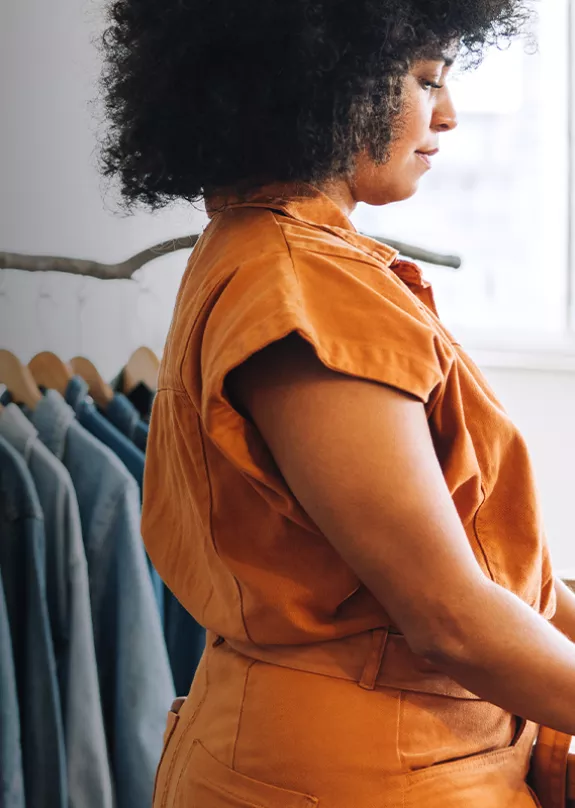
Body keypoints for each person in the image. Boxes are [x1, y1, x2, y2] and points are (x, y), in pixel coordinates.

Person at [97, 1, 575, 805]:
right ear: (325, 82)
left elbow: (485, 570)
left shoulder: (265, 251)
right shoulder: (306, 284)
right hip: (369, 769)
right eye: (426, 80)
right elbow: (447, 617)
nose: (448, 117)